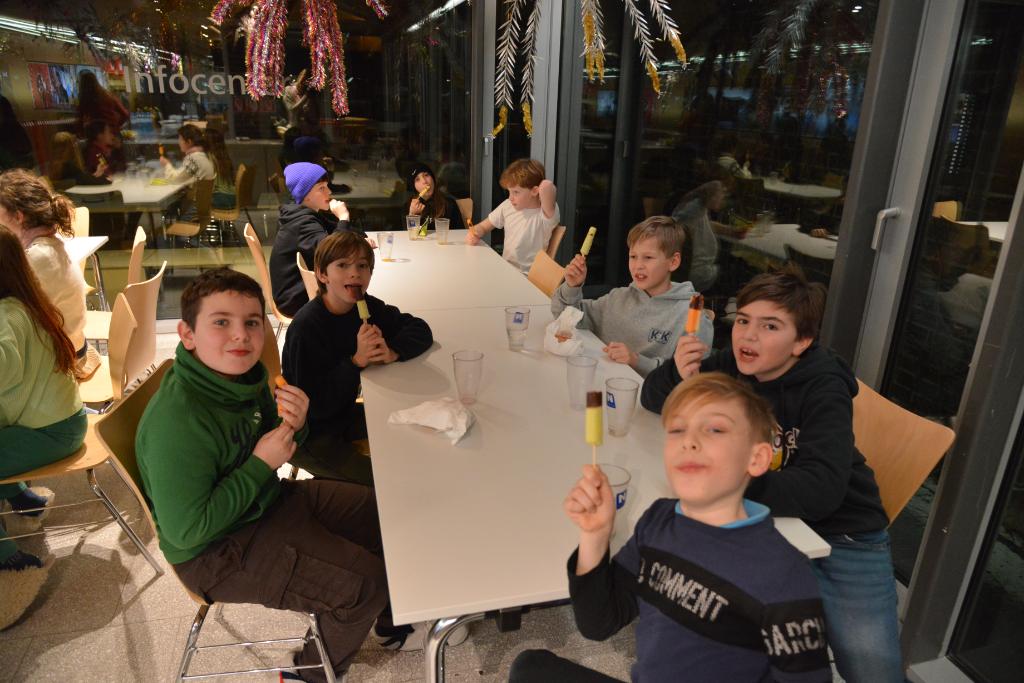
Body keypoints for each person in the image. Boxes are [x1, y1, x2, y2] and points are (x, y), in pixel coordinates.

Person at [135, 268, 412, 680]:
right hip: (215, 553)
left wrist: (295, 425)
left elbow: (271, 440)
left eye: (252, 322)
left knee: (384, 513)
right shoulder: (176, 422)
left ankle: (390, 619)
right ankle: (306, 675)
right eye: (221, 322)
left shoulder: (244, 378)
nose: (241, 336)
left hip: (265, 502)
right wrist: (260, 465)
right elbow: (188, 531)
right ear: (187, 334)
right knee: (364, 586)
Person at [640, 267, 900, 683]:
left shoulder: (824, 388)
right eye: (743, 320)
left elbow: (822, 491)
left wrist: (728, 481)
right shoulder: (734, 365)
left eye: (770, 326)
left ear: (802, 341)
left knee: (870, 668)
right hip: (769, 523)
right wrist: (677, 373)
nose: (748, 336)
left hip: (845, 536)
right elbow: (653, 400)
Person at [510, 373, 830, 682]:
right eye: (677, 429)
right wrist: (596, 535)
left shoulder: (784, 576)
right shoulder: (659, 521)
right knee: (529, 668)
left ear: (757, 458)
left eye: (715, 429)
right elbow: (599, 623)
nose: (689, 441)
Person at [282, 232, 433, 485]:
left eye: (362, 266)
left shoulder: (366, 308)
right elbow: (314, 406)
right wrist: (356, 362)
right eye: (343, 265)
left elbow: (419, 328)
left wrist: (392, 351)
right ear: (322, 274)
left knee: (416, 430)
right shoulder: (306, 327)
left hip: (342, 413)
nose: (355, 274)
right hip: (308, 434)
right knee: (385, 482)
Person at [0, 225, 87, 630]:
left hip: (50, 433)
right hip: (64, 422)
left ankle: (8, 559)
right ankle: (22, 498)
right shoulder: (24, 303)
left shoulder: (6, 316)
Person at [551, 216, 713, 377]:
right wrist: (572, 286)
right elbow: (566, 318)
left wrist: (636, 360)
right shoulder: (619, 298)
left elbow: (693, 378)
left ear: (673, 262)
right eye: (633, 256)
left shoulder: (692, 315)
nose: (638, 266)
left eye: (648, 257)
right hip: (601, 382)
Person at [0, 169, 100, 380]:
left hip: (61, 364)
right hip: (74, 345)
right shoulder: (50, 245)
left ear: (18, 216)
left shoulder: (35, 258)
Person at [270, 161, 370, 318]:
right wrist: (343, 218)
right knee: (358, 293)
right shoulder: (303, 222)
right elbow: (334, 253)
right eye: (321, 188)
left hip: (296, 292)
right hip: (295, 300)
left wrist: (360, 239)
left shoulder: (305, 214)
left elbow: (340, 232)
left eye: (327, 186)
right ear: (305, 194)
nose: (329, 192)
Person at [465, 158, 559, 273]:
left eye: (516, 192)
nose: (510, 197)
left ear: (535, 191)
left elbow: (547, 185)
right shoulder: (508, 205)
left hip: (528, 277)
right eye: (509, 191)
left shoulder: (545, 214)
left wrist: (539, 182)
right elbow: (484, 226)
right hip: (506, 270)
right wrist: (476, 232)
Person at [669, 180, 728, 292]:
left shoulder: (698, 207)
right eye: (721, 194)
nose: (723, 199)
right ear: (712, 195)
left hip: (697, 270)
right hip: (696, 274)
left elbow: (707, 225)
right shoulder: (693, 210)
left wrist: (731, 231)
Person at [406, 162, 465, 232]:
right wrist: (412, 215)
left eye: (426, 175)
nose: (424, 181)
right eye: (417, 179)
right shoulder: (409, 206)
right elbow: (409, 235)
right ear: (414, 187)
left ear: (433, 179)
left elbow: (460, 232)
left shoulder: (449, 204)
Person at [47, 131, 111, 192]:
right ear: (71, 148)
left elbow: (83, 180)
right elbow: (98, 182)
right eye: (75, 143)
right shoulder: (68, 167)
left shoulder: (53, 169)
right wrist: (103, 177)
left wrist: (97, 173)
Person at [76, 70, 129, 134]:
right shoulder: (108, 96)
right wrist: (116, 126)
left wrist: (80, 133)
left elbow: (80, 121)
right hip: (112, 134)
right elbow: (125, 114)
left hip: (97, 135)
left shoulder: (85, 100)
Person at [204, 127, 237, 210]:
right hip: (232, 196)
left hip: (220, 198)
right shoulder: (224, 156)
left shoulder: (209, 157)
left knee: (192, 202)